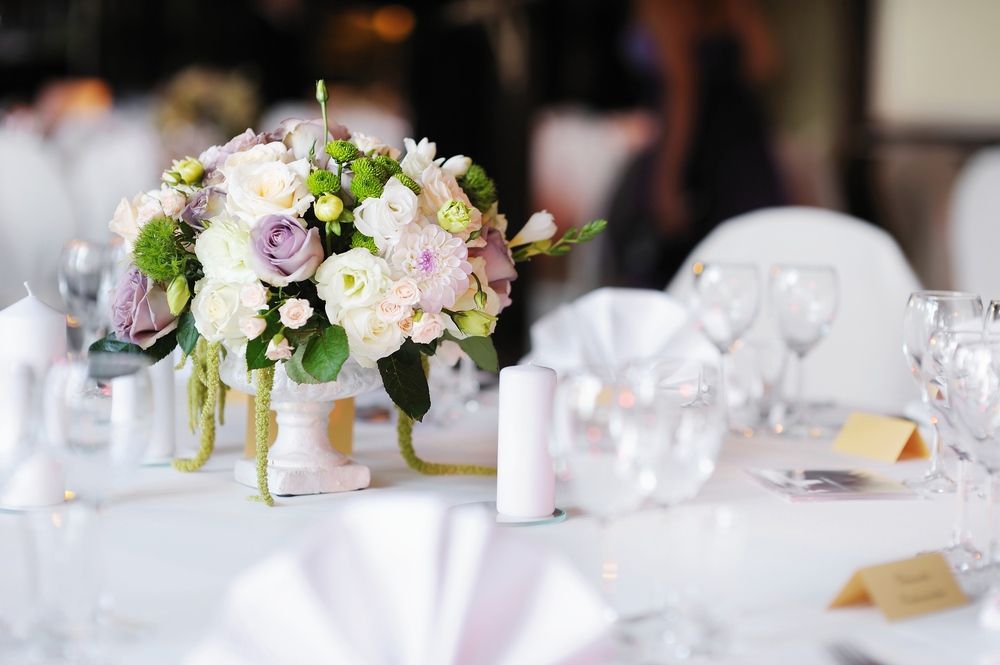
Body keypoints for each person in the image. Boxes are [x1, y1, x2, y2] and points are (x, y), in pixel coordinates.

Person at [608, 0, 786, 288]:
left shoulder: (663, 6)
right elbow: (764, 65)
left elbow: (683, 89)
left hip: (695, 150)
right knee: (746, 264)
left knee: (680, 269)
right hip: (744, 150)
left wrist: (667, 179)